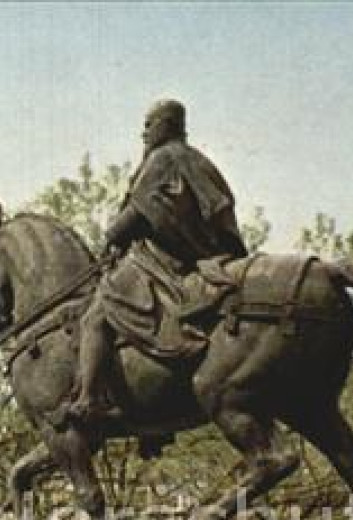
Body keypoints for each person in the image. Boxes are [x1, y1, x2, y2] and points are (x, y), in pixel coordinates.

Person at [58, 99, 249, 429]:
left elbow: (141, 211)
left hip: (168, 259)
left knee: (98, 312)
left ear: (167, 124)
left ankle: (88, 398)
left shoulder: (163, 158)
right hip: (203, 253)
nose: (143, 132)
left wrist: (112, 235)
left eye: (149, 125)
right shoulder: (195, 159)